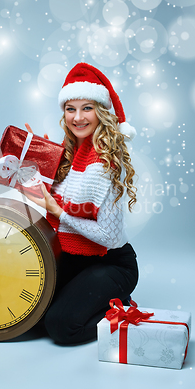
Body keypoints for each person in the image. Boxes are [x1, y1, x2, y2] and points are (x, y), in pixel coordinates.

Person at [24, 62, 139, 345]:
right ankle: (94, 299)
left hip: (111, 263)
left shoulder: (107, 164)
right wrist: (37, 159)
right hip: (72, 258)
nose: (78, 117)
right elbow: (46, 201)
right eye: (70, 108)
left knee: (62, 328)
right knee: (30, 318)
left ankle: (121, 308)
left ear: (101, 112)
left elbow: (110, 238)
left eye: (87, 108)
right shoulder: (67, 155)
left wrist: (59, 213)